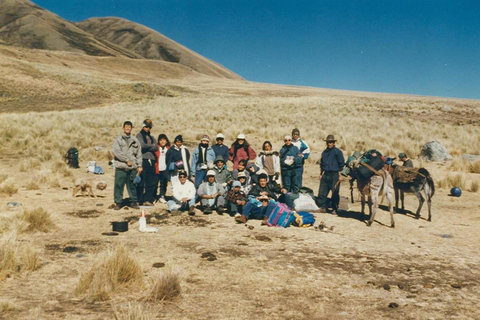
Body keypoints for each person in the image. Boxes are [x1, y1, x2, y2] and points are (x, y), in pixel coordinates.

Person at [112, 121, 143, 210]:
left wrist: (139, 165)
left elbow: (138, 154)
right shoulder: (118, 139)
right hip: (121, 167)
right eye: (126, 126)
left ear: (131, 128)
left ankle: (133, 201)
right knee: (118, 185)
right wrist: (126, 160)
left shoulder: (135, 140)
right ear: (123, 128)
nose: (128, 128)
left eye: (129, 127)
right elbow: (117, 152)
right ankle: (118, 202)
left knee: (132, 185)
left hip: (132, 167)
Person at [317, 134, 345, 213]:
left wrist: (340, 175)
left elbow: (341, 164)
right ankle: (322, 207)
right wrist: (320, 173)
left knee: (335, 192)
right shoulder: (324, 153)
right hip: (325, 174)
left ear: (333, 143)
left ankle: (334, 208)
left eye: (331, 142)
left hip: (335, 174)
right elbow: (322, 164)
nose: (329, 144)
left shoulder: (338, 152)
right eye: (328, 142)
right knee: (322, 191)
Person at [135, 119, 158, 206]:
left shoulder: (152, 137)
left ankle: (147, 199)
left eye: (149, 127)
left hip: (151, 160)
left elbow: (156, 147)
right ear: (143, 126)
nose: (147, 128)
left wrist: (149, 146)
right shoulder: (139, 135)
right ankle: (139, 199)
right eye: (146, 126)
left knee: (151, 181)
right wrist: (151, 146)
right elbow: (142, 146)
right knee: (141, 180)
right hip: (143, 159)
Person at [155, 134, 170, 203]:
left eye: (164, 140)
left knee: (163, 183)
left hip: (165, 169)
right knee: (155, 183)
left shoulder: (169, 149)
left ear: (166, 141)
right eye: (161, 140)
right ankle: (154, 197)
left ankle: (162, 196)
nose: (162, 141)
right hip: (157, 169)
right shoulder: (156, 148)